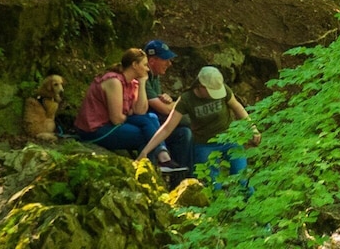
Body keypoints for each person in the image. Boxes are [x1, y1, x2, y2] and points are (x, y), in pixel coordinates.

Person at [74, 49, 186, 172]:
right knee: (146, 137)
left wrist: (142, 82)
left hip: (113, 124)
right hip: (95, 130)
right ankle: (154, 168)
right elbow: (116, 119)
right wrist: (129, 116)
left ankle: (160, 162)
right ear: (134, 65)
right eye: (144, 65)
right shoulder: (114, 81)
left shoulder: (133, 83)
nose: (148, 69)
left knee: (152, 118)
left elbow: (140, 111)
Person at [183, 66, 258, 193]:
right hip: (204, 145)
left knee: (243, 180)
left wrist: (252, 127)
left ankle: (249, 206)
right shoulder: (187, 99)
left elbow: (237, 107)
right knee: (212, 186)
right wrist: (147, 150)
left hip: (229, 139)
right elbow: (168, 127)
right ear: (201, 86)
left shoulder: (222, 89)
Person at [140, 39, 194, 170]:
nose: (169, 64)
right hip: (147, 124)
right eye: (165, 60)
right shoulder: (143, 76)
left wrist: (170, 102)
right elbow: (164, 109)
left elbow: (164, 104)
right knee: (187, 122)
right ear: (152, 61)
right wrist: (175, 106)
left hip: (156, 123)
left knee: (185, 133)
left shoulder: (155, 76)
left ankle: (182, 176)